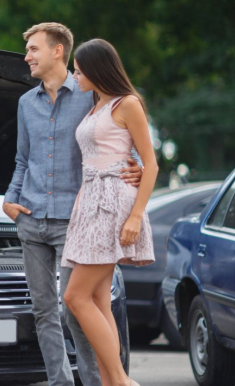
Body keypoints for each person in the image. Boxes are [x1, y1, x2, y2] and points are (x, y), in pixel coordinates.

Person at [3, 23, 143, 386]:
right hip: (31, 218)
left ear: (57, 51)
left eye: (33, 49)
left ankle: (99, 382)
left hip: (77, 219)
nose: (27, 56)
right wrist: (10, 199)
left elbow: (120, 138)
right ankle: (60, 383)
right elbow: (23, 159)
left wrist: (137, 171)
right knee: (44, 312)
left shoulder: (89, 94)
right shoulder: (25, 103)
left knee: (77, 310)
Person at [63, 38, 157, 386]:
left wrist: (135, 216)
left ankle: (120, 380)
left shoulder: (127, 103)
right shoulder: (94, 104)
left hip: (113, 202)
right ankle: (110, 382)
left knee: (75, 296)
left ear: (97, 69)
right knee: (100, 298)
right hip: (89, 202)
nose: (75, 76)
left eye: (79, 69)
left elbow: (151, 165)